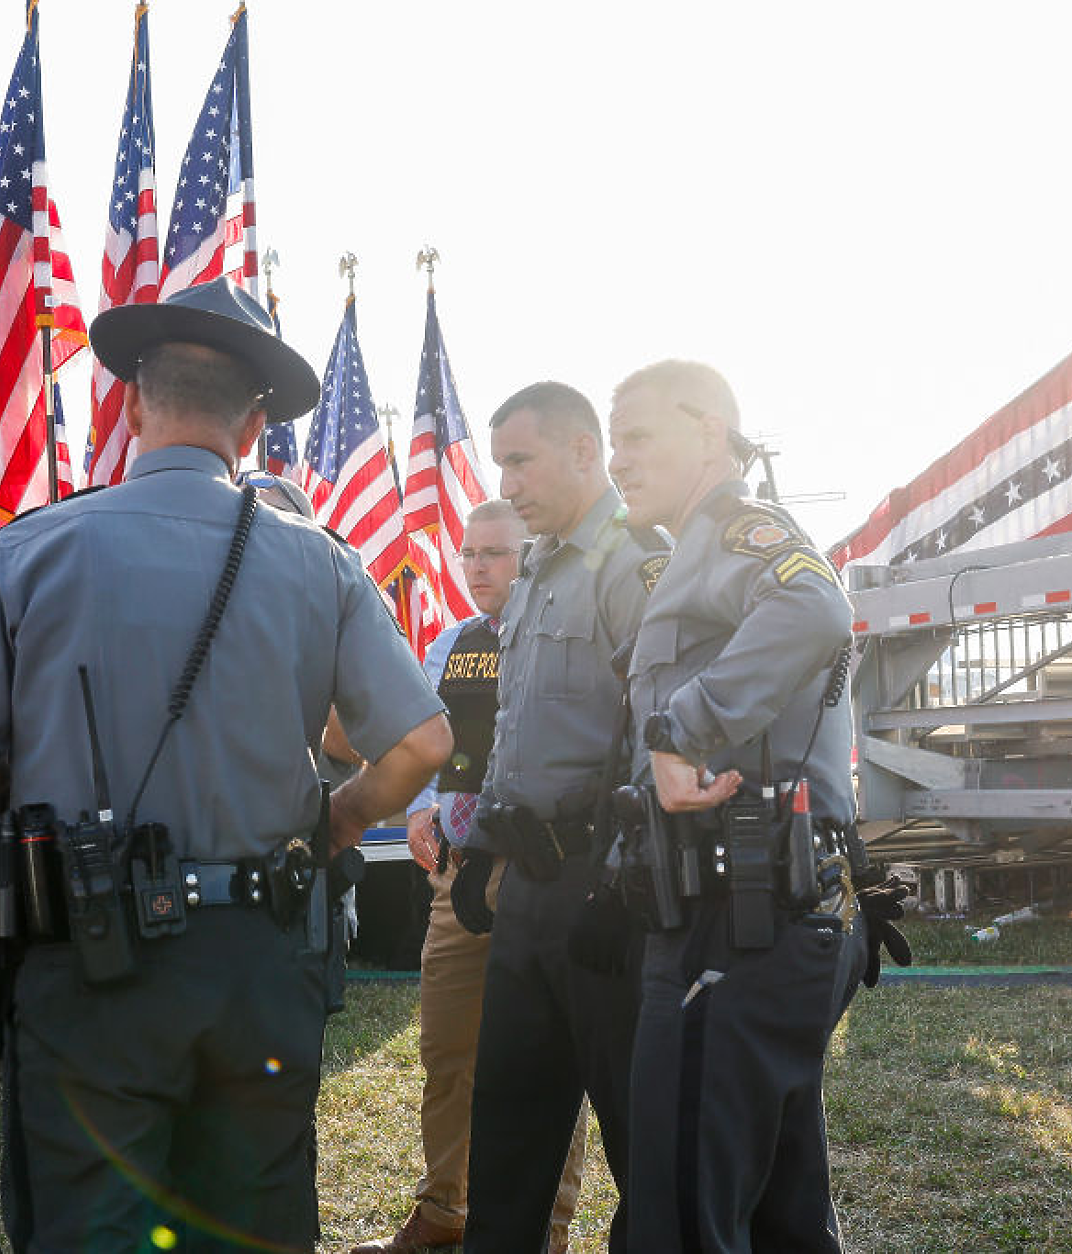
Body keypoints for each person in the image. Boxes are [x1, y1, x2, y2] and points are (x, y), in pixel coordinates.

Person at [0, 277, 453, 1253]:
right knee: (252, 1225)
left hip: (94, 958)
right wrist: (334, 820)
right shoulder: (319, 560)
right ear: (251, 425)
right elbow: (421, 744)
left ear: (128, 404)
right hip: (263, 955)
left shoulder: (32, 550)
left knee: (90, 1227)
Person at [607, 359, 911, 1253]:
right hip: (758, 921)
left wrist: (680, 731)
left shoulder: (738, 530)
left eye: (637, 435)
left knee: (682, 1215)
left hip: (734, 924)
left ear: (708, 431)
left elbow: (817, 606)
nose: (619, 461)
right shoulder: (690, 550)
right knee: (783, 1216)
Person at [458, 382, 668, 1254]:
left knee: (639, 1142)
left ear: (585, 451)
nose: (506, 481)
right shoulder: (538, 564)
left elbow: (662, 737)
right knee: (508, 1131)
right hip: (528, 890)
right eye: (499, 460)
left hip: (603, 896)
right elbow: (516, 730)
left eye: (520, 459)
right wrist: (478, 851)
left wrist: (620, 883)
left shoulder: (634, 561)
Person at [351, 499, 588, 1254]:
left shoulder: (565, 639)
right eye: (468, 553)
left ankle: (546, 1228)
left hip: (545, 874)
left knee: (551, 1061)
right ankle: (445, 1209)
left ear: (532, 555)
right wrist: (420, 807)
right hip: (458, 879)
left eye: (496, 553)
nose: (478, 567)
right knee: (448, 1052)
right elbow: (426, 743)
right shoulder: (450, 644)